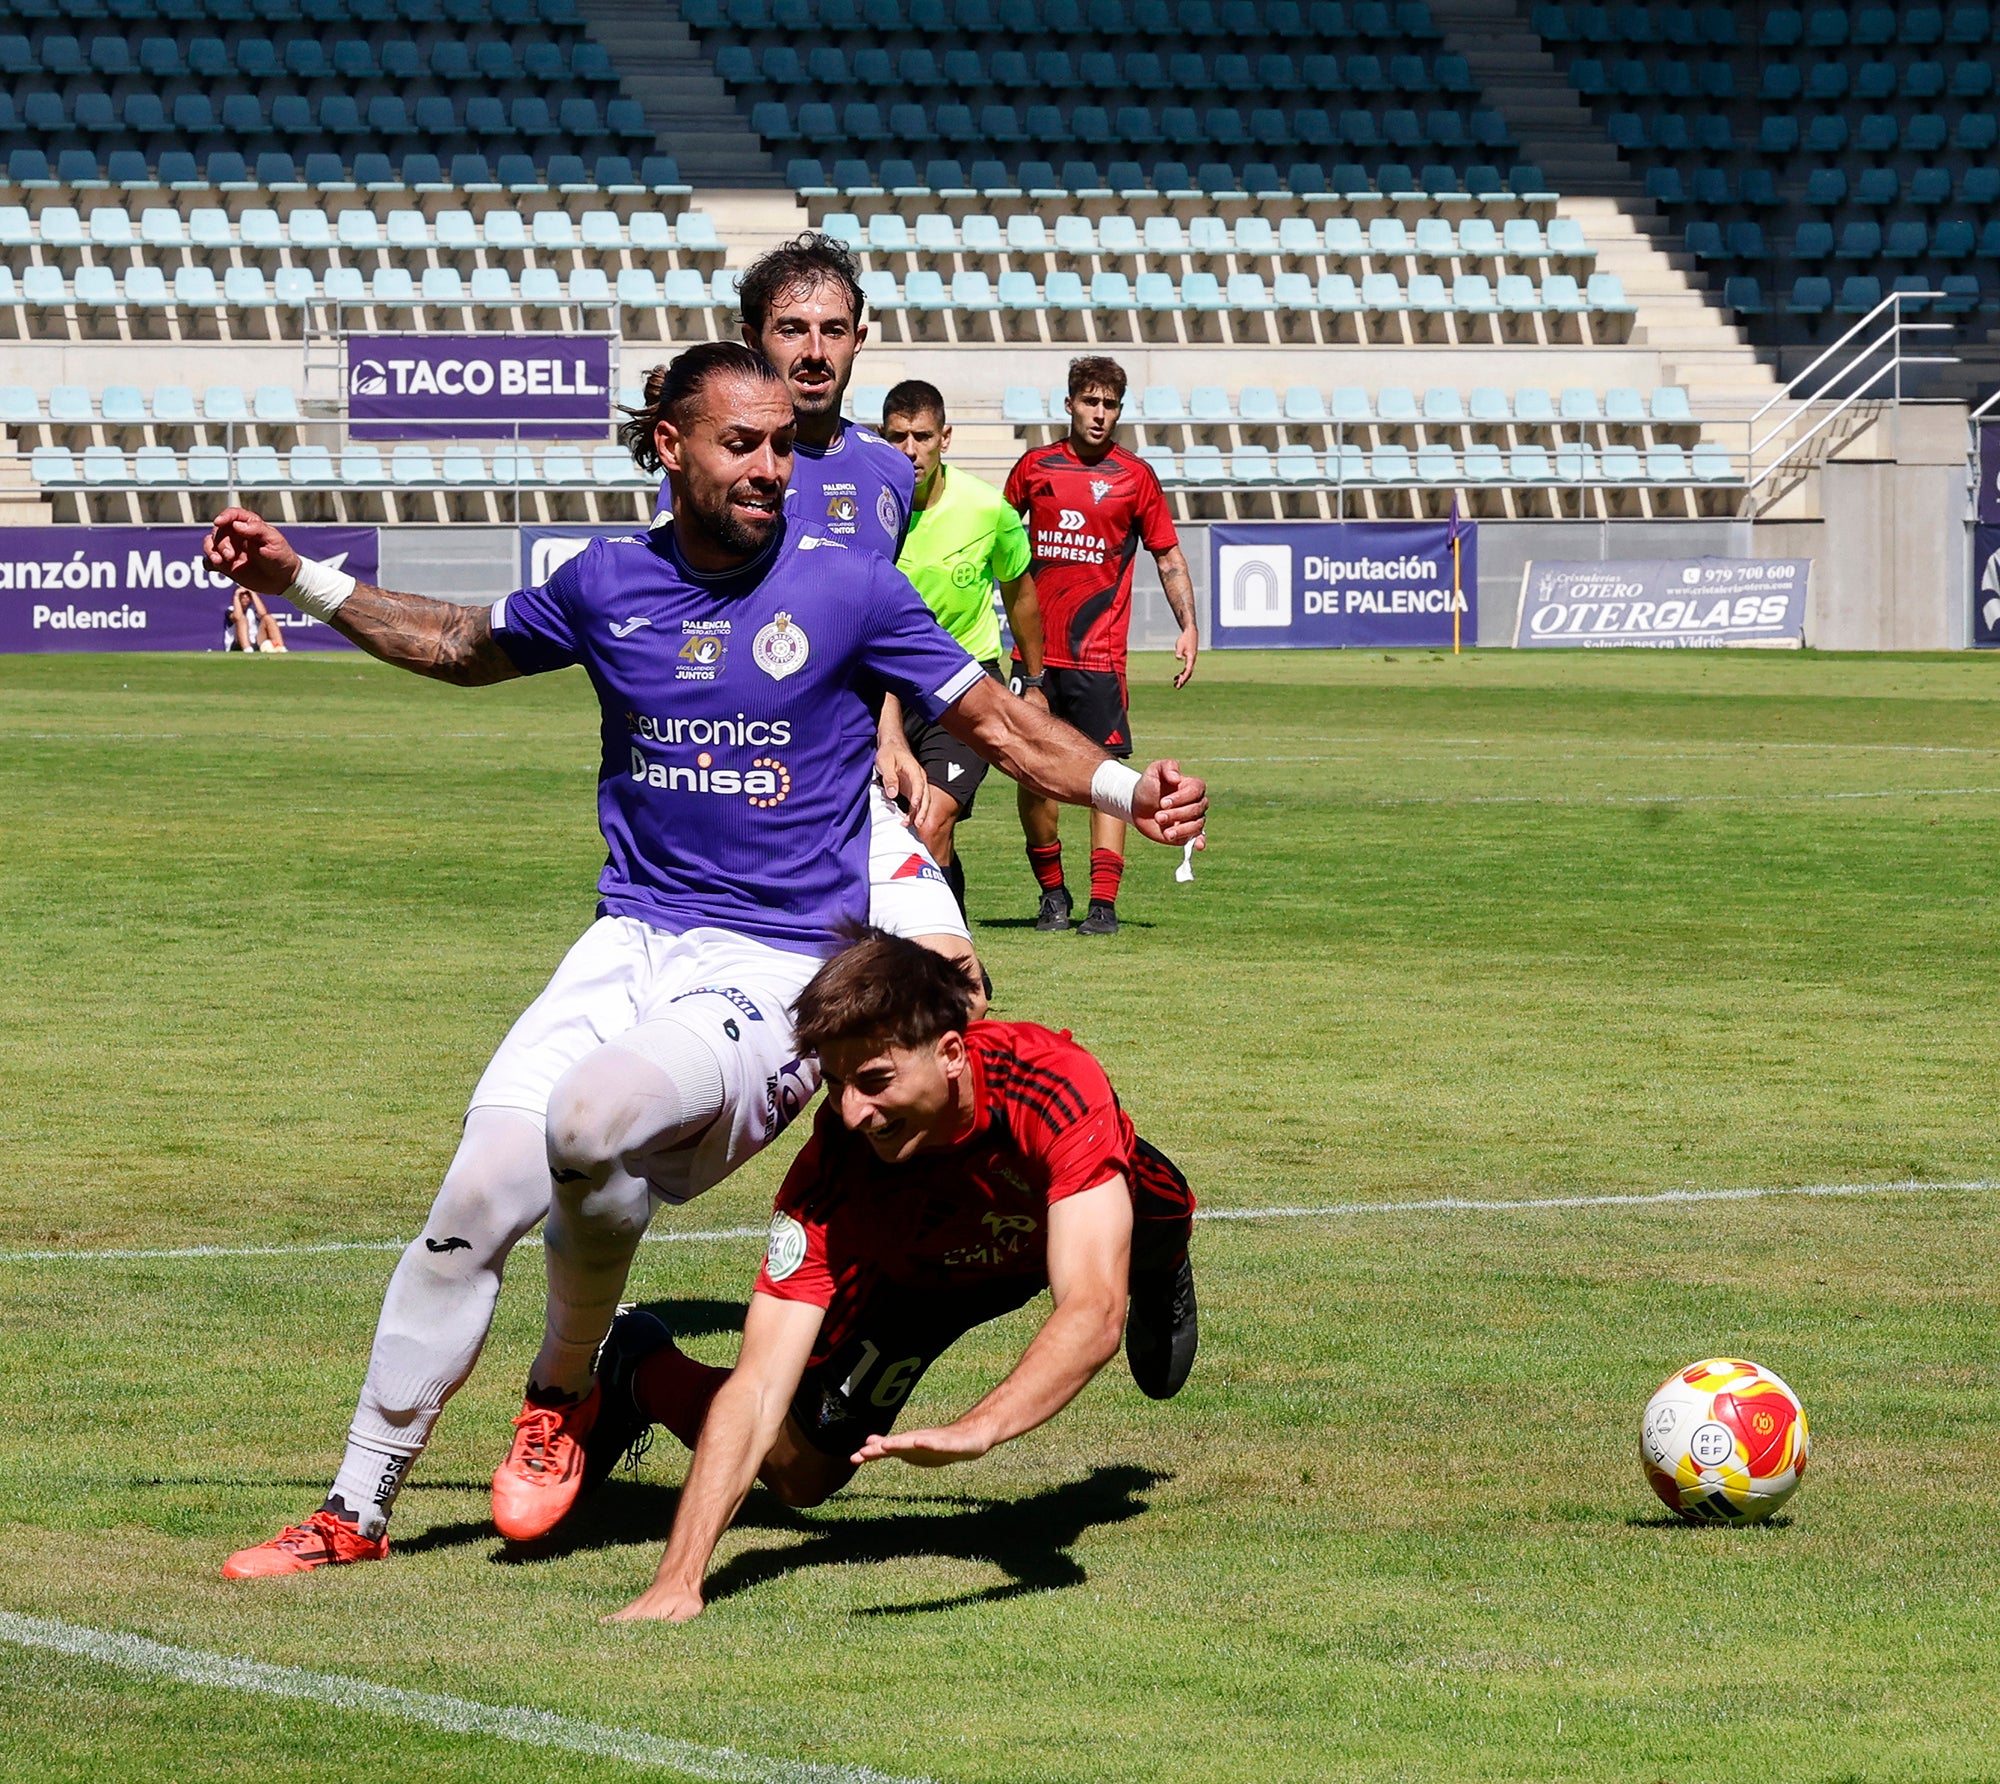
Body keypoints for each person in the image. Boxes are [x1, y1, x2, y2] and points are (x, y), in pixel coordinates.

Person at [211, 342, 1207, 1576]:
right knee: (472, 1201)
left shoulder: (847, 588)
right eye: (741, 444)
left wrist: (1124, 783)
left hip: (778, 960)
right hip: (626, 938)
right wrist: (299, 576)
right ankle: (353, 1510)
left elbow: (998, 725)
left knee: (588, 1121)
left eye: (783, 444)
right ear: (669, 446)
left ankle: (563, 1385)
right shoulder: (605, 580)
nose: (770, 468)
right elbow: (458, 643)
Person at [582, 930, 1197, 1623]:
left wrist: (981, 1426)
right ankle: (640, 1367)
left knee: (1156, 1215)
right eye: (837, 1083)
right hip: (921, 1282)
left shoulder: (1051, 1084)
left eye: (875, 1081)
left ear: (952, 1053)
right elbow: (757, 1386)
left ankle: (1165, 1262)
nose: (851, 1112)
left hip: (1060, 1226)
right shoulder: (832, 1176)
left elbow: (1091, 1312)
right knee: (800, 1475)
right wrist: (679, 1579)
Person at [655, 233, 931, 818]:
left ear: (857, 340)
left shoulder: (890, 470)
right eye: (791, 329)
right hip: (736, 775)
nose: (814, 351)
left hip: (852, 782)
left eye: (832, 330)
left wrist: (891, 736)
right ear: (753, 340)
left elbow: (871, 630)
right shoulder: (719, 469)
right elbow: (676, 624)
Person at [1005, 356, 1202, 937]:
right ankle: (1052, 894)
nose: (1099, 414)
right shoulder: (1034, 467)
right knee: (1033, 777)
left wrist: (1188, 624)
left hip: (1100, 658)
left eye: (1109, 404)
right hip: (1036, 658)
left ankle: (1103, 903)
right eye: (1089, 402)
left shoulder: (1135, 477)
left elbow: (1166, 554)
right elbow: (992, 536)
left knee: (1107, 778)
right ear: (1069, 404)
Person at [880, 378, 1048, 918]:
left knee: (930, 821)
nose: (911, 451)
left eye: (922, 436)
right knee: (899, 827)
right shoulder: (863, 511)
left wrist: (1036, 680)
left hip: (964, 682)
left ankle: (942, 967)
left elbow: (1020, 592)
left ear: (945, 437)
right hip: (882, 691)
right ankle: (943, 942)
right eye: (898, 437)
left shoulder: (986, 508)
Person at [225, 585, 287, 653]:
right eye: (242, 595)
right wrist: (236, 595)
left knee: (268, 618)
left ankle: (280, 648)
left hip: (255, 642)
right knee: (241, 619)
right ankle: (247, 649)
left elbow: (263, 614)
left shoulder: (253, 610)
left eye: (247, 595)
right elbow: (237, 617)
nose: (245, 597)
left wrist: (252, 592)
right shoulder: (230, 610)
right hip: (237, 644)